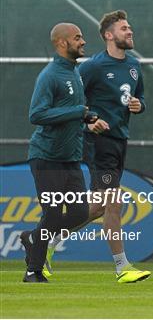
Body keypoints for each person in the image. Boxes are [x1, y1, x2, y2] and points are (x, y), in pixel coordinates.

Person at [45, 10, 149, 283]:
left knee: (99, 207)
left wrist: (139, 106)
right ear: (108, 35)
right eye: (124, 28)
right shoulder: (92, 67)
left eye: (130, 27)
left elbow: (139, 97)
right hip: (98, 143)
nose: (130, 31)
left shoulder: (134, 66)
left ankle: (44, 240)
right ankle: (122, 266)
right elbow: (68, 104)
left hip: (119, 142)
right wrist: (87, 123)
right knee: (114, 204)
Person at [21, 23, 100, 283]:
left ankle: (33, 237)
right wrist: (79, 112)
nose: (83, 41)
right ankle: (33, 271)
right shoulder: (50, 75)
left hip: (70, 158)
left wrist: (87, 119)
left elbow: (70, 113)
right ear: (62, 43)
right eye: (78, 38)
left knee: (79, 213)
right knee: (53, 215)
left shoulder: (74, 72)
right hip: (47, 156)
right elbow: (37, 114)